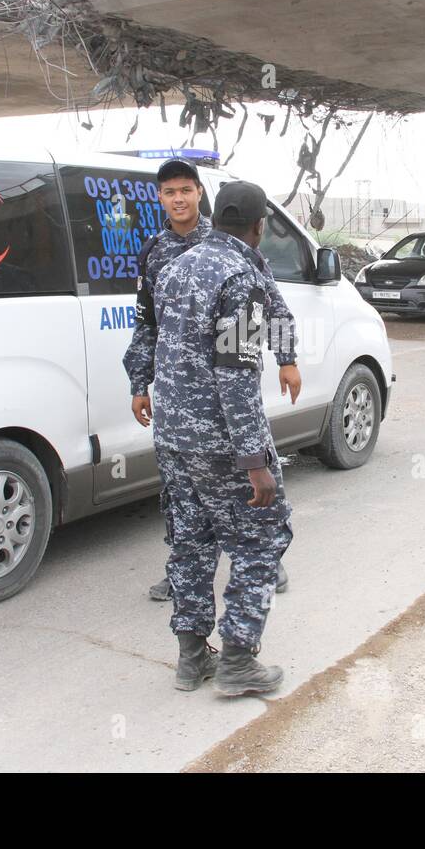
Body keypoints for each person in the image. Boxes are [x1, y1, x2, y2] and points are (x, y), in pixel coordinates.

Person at [123, 157, 298, 602]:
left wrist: (287, 357)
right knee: (183, 497)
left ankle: (261, 560)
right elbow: (147, 323)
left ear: (200, 194)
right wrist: (139, 382)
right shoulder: (156, 252)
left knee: (242, 485)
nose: (178, 198)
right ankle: (187, 566)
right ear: (160, 198)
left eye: (186, 190)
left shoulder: (232, 245)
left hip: (222, 398)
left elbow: (271, 305)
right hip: (180, 397)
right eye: (169, 192)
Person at [150, 180, 294, 696]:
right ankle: (237, 661)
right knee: (260, 540)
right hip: (219, 441)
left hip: (171, 437)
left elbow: (160, 344)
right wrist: (254, 459)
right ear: (258, 227)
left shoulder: (174, 267)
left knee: (190, 544)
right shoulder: (242, 279)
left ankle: (192, 660)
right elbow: (236, 374)